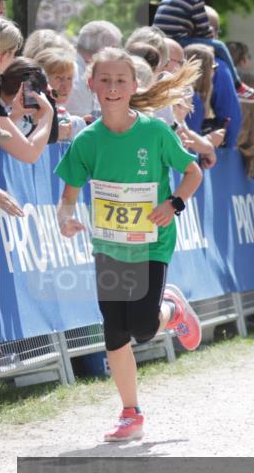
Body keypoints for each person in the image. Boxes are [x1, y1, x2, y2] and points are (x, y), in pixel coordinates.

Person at [54, 47, 204, 442]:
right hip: (109, 246)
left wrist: (174, 203)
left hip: (152, 242)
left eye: (121, 80)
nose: (113, 87)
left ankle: (171, 310)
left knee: (142, 327)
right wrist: (66, 218)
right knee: (114, 330)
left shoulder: (155, 132)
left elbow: (192, 172)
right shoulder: (87, 141)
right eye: (105, 80)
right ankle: (130, 412)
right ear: (92, 85)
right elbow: (68, 195)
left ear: (134, 85)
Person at [152, 0, 254, 102]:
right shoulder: (194, 1)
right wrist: (211, 32)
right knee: (220, 46)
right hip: (179, 42)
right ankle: (238, 87)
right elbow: (205, 34)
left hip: (161, 42)